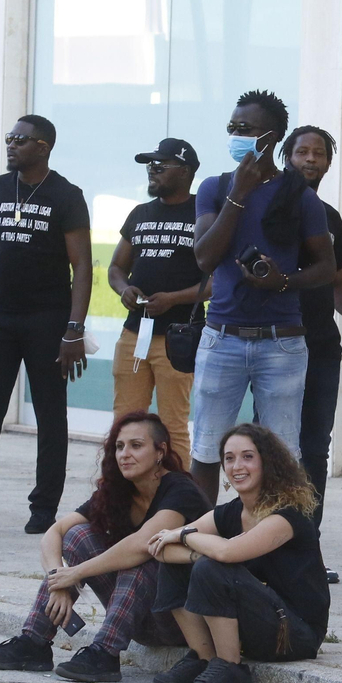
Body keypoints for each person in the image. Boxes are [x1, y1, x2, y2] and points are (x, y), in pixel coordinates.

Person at [0, 115, 92, 535]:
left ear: (43, 147)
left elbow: (82, 267)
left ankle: (44, 509)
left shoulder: (66, 195)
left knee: (50, 416)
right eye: (9, 139)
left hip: (46, 321)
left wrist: (73, 328)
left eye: (20, 140)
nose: (11, 146)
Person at [0, 412, 203, 683]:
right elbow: (55, 532)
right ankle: (33, 642)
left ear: (160, 451)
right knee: (77, 535)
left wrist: (77, 573)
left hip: (182, 622)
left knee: (143, 559)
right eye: (119, 447)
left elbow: (143, 544)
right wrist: (57, 580)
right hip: (136, 614)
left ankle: (105, 653)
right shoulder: (119, 491)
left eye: (136, 445)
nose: (125, 454)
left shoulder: (180, 489)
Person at [189, 90, 335, 506]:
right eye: (232, 128)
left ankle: (275, 543)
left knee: (283, 455)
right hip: (222, 338)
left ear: (270, 137)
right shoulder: (216, 188)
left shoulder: (300, 196)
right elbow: (204, 257)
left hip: (281, 343)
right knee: (206, 448)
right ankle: (202, 541)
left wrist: (282, 281)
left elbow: (326, 266)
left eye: (245, 129)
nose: (235, 135)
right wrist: (239, 194)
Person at [145, 423, 331, 683]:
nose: (237, 466)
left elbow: (228, 553)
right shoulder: (233, 512)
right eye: (229, 458)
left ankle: (231, 669)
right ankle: (206, 659)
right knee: (187, 564)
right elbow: (161, 549)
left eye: (247, 456)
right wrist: (192, 546)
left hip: (294, 634)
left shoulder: (287, 516)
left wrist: (184, 534)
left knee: (212, 567)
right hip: (258, 621)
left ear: (267, 462)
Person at [286, 125, 342, 584]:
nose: (311, 159)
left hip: (321, 348)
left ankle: (307, 549)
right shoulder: (268, 205)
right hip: (275, 346)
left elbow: (335, 286)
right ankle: (264, 543)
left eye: (319, 153)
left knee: (315, 449)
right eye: (302, 151)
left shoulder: (330, 216)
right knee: (275, 447)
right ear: (286, 155)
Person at [110, 138, 205, 451]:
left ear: (185, 171)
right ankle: (122, 498)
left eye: (160, 165)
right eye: (150, 165)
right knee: (125, 423)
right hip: (134, 334)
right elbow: (115, 269)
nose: (152, 170)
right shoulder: (140, 213)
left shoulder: (203, 215)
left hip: (179, 337)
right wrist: (125, 289)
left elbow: (217, 282)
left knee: (172, 427)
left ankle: (177, 499)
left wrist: (173, 299)